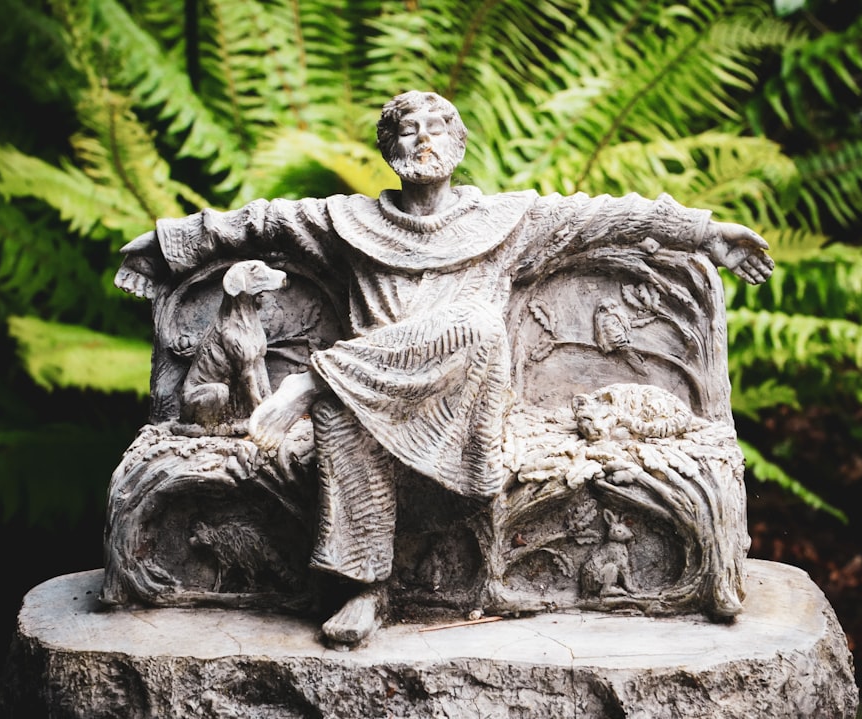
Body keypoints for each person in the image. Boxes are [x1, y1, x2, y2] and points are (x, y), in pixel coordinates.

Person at [116, 90, 774, 646]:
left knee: (478, 324)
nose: (422, 139)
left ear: (459, 146)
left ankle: (318, 376)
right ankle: (364, 587)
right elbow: (262, 223)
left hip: (467, 418)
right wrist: (168, 245)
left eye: (436, 128)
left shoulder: (505, 221)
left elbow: (602, 217)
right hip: (372, 414)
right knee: (345, 406)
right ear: (389, 148)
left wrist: (706, 232)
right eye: (407, 129)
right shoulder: (347, 224)